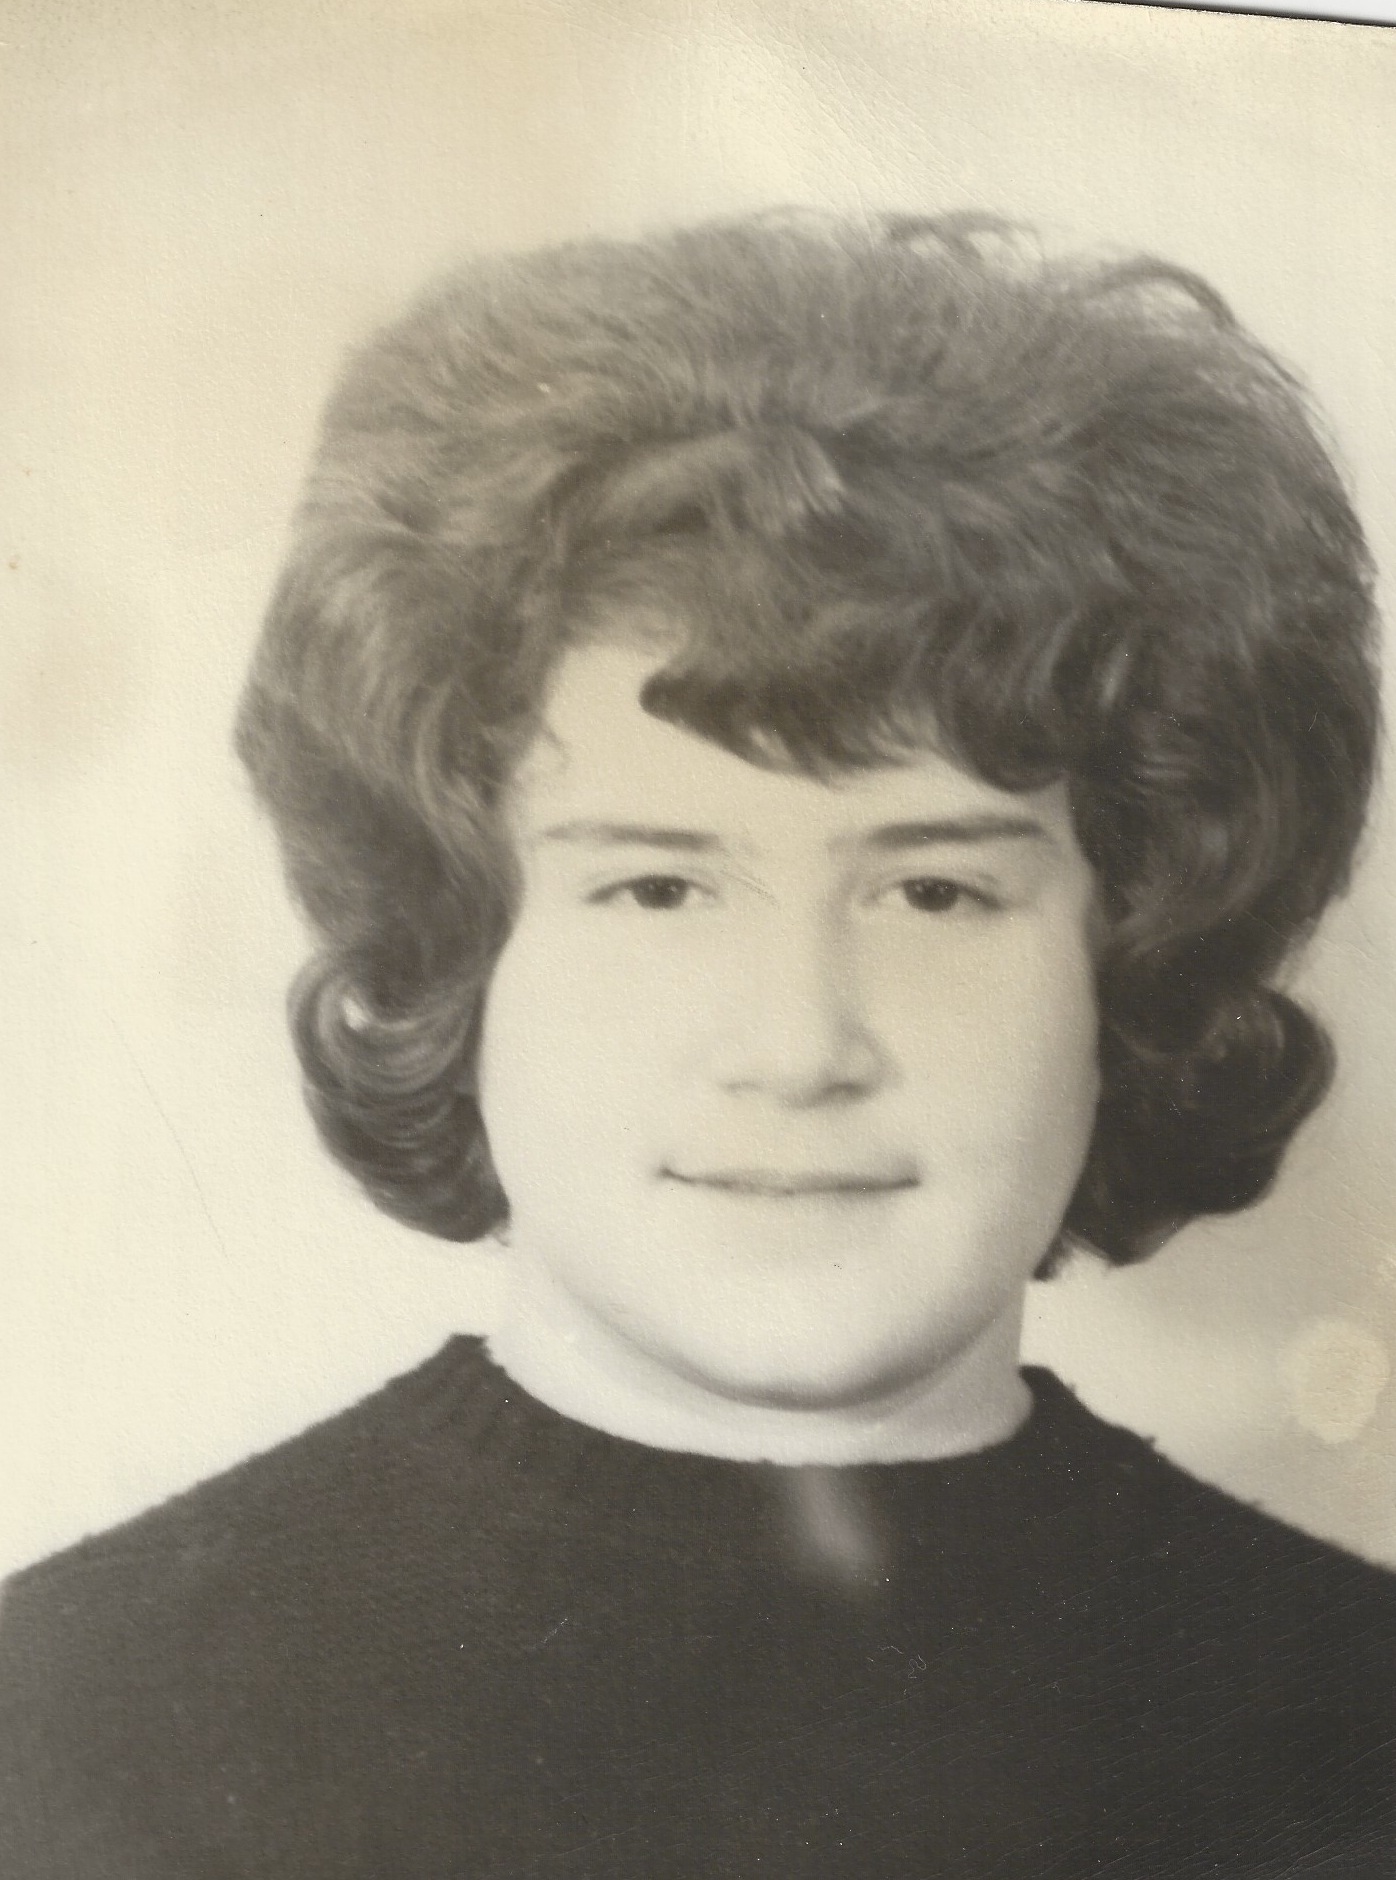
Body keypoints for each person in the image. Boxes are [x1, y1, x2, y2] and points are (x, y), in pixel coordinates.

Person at [1, 210, 1391, 1878]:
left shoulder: (1352, 1722)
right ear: (456, 947)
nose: (799, 1048)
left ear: (1135, 956)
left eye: (936, 892)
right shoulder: (73, 1725)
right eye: (660, 887)